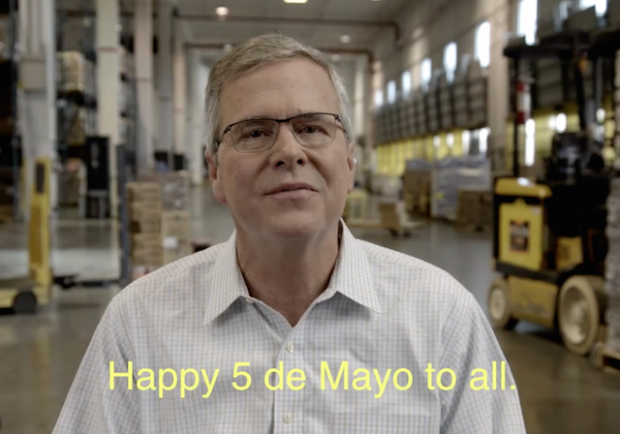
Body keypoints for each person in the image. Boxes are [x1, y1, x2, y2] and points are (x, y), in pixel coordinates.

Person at [52, 34, 526, 433]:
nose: (289, 151)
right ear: (214, 172)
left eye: (312, 128)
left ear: (349, 162)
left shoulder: (443, 320)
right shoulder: (138, 326)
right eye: (254, 132)